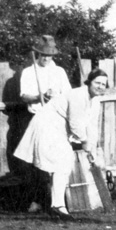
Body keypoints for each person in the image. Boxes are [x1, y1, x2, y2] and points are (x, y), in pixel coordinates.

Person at [13, 68, 110, 220]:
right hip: (47, 125)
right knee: (62, 162)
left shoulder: (95, 101)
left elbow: (92, 125)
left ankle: (57, 206)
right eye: (97, 83)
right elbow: (75, 123)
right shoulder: (79, 95)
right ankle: (58, 206)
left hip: (58, 129)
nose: (100, 86)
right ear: (89, 82)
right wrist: (84, 141)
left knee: (64, 163)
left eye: (103, 84)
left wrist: (91, 146)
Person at [17, 35, 73, 212]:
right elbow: (24, 96)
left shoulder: (59, 72)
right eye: (42, 55)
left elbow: (68, 95)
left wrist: (54, 97)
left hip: (57, 121)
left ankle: (59, 201)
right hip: (38, 118)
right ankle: (38, 200)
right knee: (38, 163)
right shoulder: (28, 72)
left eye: (49, 55)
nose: (46, 58)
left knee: (60, 160)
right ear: (37, 54)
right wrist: (39, 95)